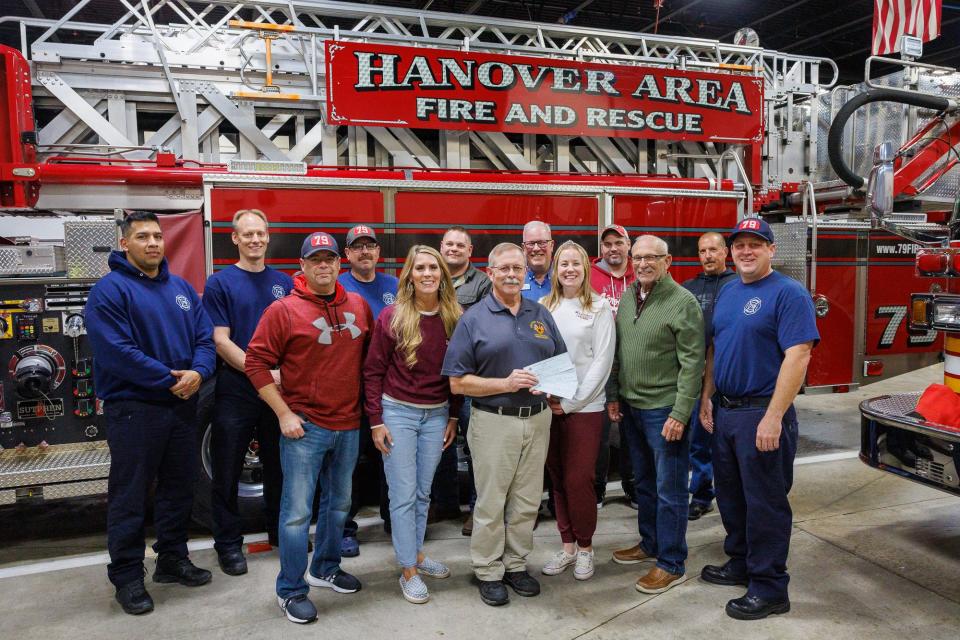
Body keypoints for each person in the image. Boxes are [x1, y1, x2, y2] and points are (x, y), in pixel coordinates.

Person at [85, 211, 215, 615]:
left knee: (180, 487)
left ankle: (172, 560)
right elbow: (116, 353)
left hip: (181, 407)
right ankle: (126, 577)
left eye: (158, 236)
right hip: (135, 409)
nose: (154, 243)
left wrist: (199, 372)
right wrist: (169, 379)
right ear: (124, 244)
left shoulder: (180, 289)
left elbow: (205, 338)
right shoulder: (109, 292)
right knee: (131, 495)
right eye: (143, 236)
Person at [245, 231, 373, 624]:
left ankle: (325, 568)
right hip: (306, 428)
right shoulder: (283, 311)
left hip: (349, 425)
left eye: (329, 258)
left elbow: (369, 363)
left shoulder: (359, 305)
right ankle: (291, 589)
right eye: (315, 259)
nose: (323, 265)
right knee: (297, 514)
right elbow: (255, 363)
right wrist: (283, 413)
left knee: (338, 506)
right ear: (302, 266)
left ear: (340, 263)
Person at [699, 218, 818, 621]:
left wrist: (774, 416)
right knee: (731, 496)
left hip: (761, 413)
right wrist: (707, 397)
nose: (746, 251)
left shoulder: (789, 293)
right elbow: (716, 348)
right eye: (739, 245)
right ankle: (742, 563)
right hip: (727, 412)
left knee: (765, 503)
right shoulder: (731, 290)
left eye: (755, 244)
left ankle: (769, 588)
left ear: (771, 250)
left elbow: (799, 354)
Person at [442, 242, 567, 607]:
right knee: (492, 501)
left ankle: (515, 564)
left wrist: (556, 390)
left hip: (537, 419)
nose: (512, 274)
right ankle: (487, 569)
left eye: (518, 268)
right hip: (493, 421)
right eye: (505, 269)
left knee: (528, 501)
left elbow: (559, 362)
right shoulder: (473, 319)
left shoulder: (540, 314)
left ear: (525, 273)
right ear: (491, 273)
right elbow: (457, 382)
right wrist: (504, 384)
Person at [364, 245, 462, 604]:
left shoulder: (454, 316)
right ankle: (408, 569)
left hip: (436, 415)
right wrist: (376, 421)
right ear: (410, 274)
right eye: (419, 267)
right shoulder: (392, 316)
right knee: (402, 495)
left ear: (441, 275)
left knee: (423, 492)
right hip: (398, 413)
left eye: (433, 268)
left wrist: (452, 415)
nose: (427, 274)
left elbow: (458, 374)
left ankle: (417, 553)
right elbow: (373, 370)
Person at [607, 234, 704, 594]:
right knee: (645, 483)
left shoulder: (683, 303)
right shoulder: (631, 294)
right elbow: (621, 348)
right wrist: (614, 395)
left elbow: (693, 364)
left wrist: (680, 413)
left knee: (671, 489)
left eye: (652, 258)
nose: (644, 263)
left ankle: (671, 561)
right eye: (638, 258)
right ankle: (650, 543)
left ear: (668, 263)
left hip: (664, 410)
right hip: (632, 408)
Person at [203, 209, 293, 575]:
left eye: (260, 233)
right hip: (237, 388)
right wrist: (261, 373)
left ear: (268, 236)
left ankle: (279, 533)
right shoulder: (220, 283)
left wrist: (282, 374)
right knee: (225, 469)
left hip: (278, 389)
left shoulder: (285, 283)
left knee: (281, 467)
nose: (255, 239)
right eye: (247, 234)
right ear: (235, 239)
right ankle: (227, 544)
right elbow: (221, 341)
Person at [539, 241, 614, 581]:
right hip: (547, 407)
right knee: (556, 478)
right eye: (563, 263)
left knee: (578, 479)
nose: (569, 269)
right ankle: (566, 545)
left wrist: (569, 403)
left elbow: (602, 363)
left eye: (576, 263)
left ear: (586, 268)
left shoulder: (599, 309)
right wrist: (547, 399)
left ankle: (585, 548)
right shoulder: (543, 306)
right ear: (555, 269)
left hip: (585, 408)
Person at [338, 224, 398, 557]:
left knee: (390, 454)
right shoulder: (337, 285)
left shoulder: (394, 285)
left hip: (389, 389)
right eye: (357, 247)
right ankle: (346, 528)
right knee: (350, 460)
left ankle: (394, 520)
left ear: (378, 252)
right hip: (349, 388)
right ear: (347, 254)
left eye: (370, 246)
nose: (364, 252)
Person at [435, 226, 492, 536]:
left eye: (461, 245)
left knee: (473, 447)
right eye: (449, 244)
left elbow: (484, 329)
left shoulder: (482, 284)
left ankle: (475, 508)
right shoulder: (431, 275)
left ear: (470, 251)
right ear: (441, 247)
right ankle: (443, 503)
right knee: (437, 442)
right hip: (433, 378)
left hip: (469, 377)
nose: (454, 249)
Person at [681, 232, 737, 521]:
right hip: (695, 375)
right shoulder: (688, 288)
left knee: (724, 442)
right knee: (698, 440)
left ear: (725, 252)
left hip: (728, 377)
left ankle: (729, 494)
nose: (708, 256)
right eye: (703, 251)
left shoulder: (738, 286)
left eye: (713, 249)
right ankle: (702, 495)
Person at [589, 224, 637, 509]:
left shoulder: (641, 272)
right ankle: (597, 488)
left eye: (618, 242)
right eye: (607, 244)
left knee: (632, 430)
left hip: (633, 365)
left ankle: (632, 486)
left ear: (628, 245)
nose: (612, 248)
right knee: (599, 432)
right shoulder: (591, 276)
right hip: (601, 367)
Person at [521, 220, 554, 300]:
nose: (536, 248)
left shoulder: (565, 279)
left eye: (542, 243)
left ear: (552, 245)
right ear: (523, 248)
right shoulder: (515, 280)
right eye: (530, 244)